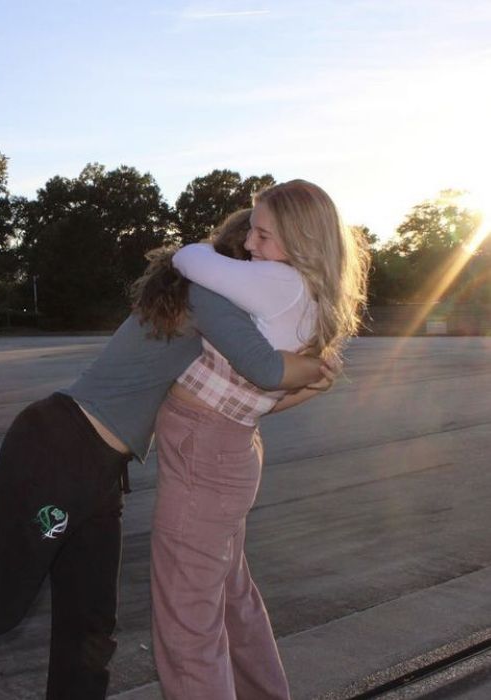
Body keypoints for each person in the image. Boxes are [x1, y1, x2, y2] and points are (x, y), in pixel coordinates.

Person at [0, 269, 329, 698]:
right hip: (60, 450)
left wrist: (314, 378)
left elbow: (244, 401)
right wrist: (320, 361)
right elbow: (266, 367)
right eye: (256, 244)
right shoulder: (207, 292)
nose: (263, 258)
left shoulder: (215, 321)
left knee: (89, 630)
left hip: (99, 472)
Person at [140, 180, 370, 700]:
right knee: (229, 598)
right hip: (227, 446)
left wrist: (200, 250)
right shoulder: (308, 292)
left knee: (187, 621)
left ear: (300, 241)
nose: (248, 245)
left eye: (262, 234)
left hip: (206, 455)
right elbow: (266, 398)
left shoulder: (279, 282)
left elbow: (190, 262)